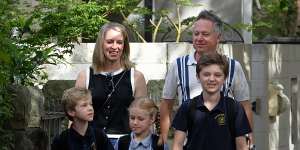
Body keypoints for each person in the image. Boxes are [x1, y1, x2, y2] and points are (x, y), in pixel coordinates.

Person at [159, 10, 253, 146]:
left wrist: (249, 139)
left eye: (205, 34)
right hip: (188, 143)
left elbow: (244, 106)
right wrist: (164, 139)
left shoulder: (233, 66)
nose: (199, 38)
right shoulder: (178, 66)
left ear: (218, 37)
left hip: (225, 143)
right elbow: (166, 104)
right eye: (196, 33)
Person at [75, 22, 147, 138]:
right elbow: (75, 115)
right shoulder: (85, 76)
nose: (115, 47)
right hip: (92, 142)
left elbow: (144, 116)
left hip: (126, 142)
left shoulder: (136, 77)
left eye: (119, 42)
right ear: (101, 44)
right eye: (110, 42)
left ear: (124, 46)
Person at [172, 53, 251, 150]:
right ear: (198, 77)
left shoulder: (235, 108)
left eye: (217, 75)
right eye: (206, 74)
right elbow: (177, 145)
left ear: (225, 78)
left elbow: (242, 147)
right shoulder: (187, 107)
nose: (212, 79)